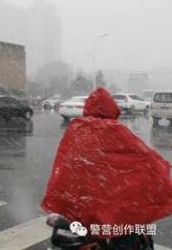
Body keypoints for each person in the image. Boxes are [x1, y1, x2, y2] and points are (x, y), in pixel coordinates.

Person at [42, 88, 172, 249]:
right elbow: (145, 160)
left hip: (78, 209)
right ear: (111, 108)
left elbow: (63, 167)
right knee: (127, 231)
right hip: (108, 211)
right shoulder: (115, 131)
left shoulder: (76, 130)